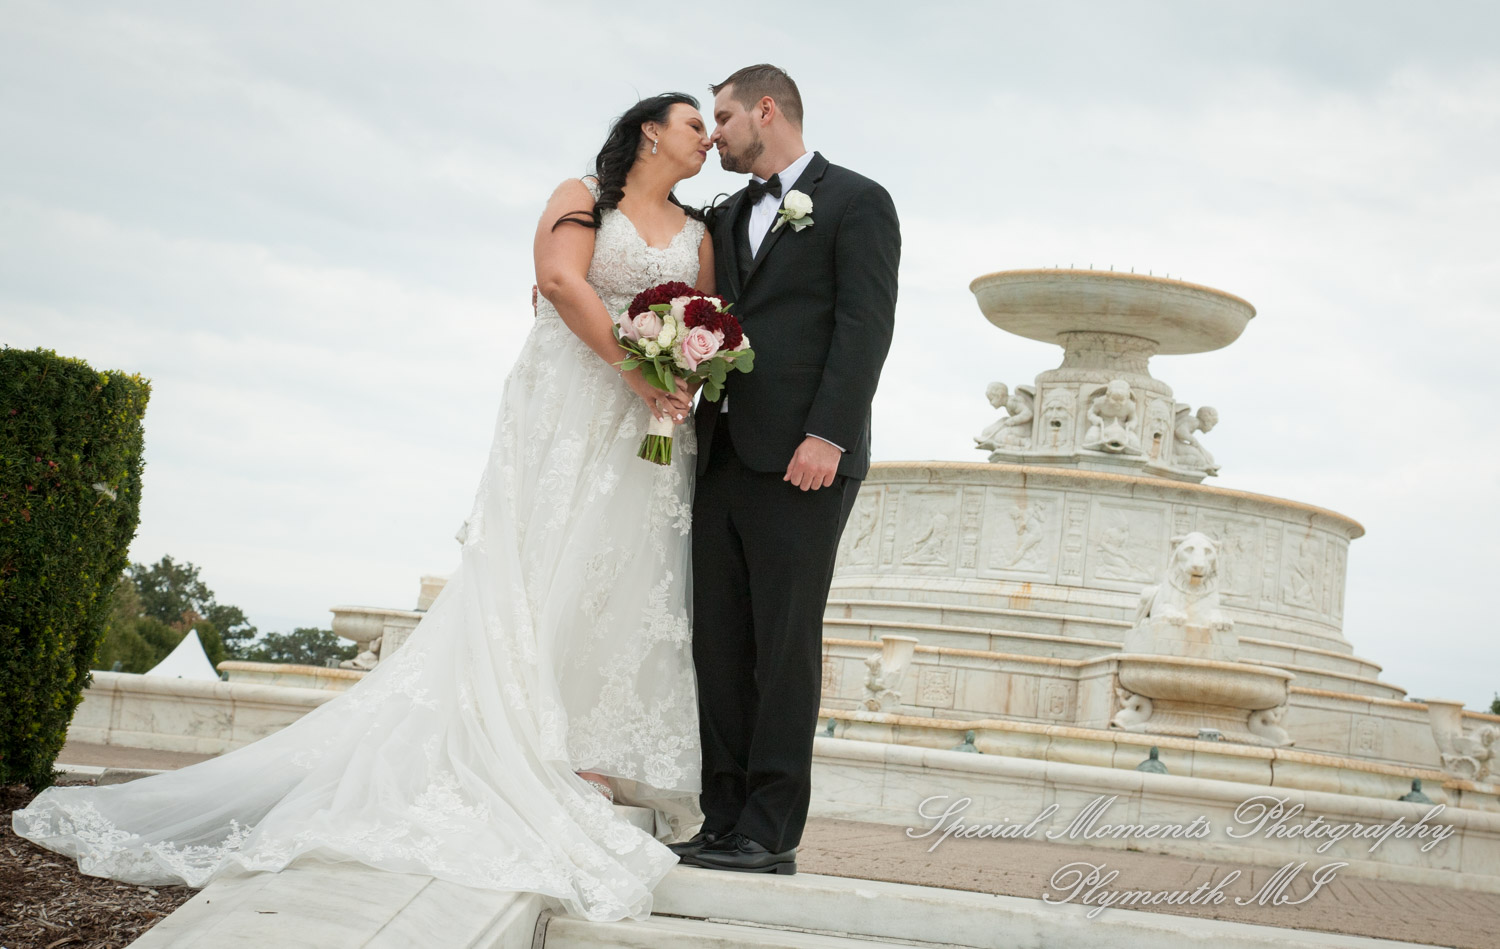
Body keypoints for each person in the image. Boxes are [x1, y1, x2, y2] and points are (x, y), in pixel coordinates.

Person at [13, 92, 716, 923]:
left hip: (642, 425)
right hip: (567, 403)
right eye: (694, 123)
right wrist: (630, 364)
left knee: (621, 572)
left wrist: (678, 376)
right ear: (649, 130)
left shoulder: (700, 233)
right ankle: (525, 739)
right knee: (537, 562)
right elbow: (560, 280)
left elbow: (703, 315)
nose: (706, 138)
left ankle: (592, 749)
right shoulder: (579, 196)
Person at [675, 65, 900, 874]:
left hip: (805, 458)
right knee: (721, 643)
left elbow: (864, 324)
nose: (716, 135)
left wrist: (829, 436)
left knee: (784, 644)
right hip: (722, 454)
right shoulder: (728, 213)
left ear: (767, 110)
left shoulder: (857, 201)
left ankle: (770, 831)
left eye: (725, 117)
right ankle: (720, 818)